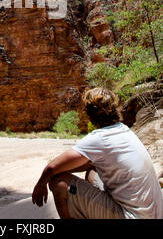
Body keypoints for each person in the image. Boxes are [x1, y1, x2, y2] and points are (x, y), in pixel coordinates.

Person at [32, 87, 163, 219]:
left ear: (89, 114)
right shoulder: (123, 130)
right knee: (93, 171)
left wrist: (41, 184)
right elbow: (86, 164)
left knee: (58, 182)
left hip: (130, 216)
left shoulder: (100, 138)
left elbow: (52, 168)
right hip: (152, 214)